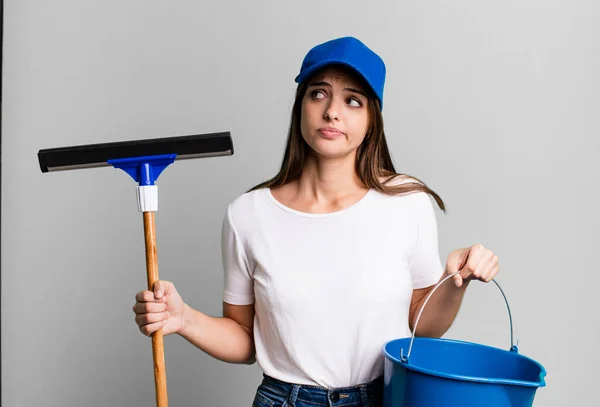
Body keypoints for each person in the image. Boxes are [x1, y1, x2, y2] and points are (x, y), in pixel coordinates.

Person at [132, 36, 500, 407]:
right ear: (300, 107)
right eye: (318, 94)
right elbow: (246, 339)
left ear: (372, 119)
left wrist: (456, 282)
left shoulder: (407, 202)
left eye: (352, 100)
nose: (332, 112)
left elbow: (423, 326)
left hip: (386, 396)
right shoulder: (248, 215)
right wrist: (183, 319)